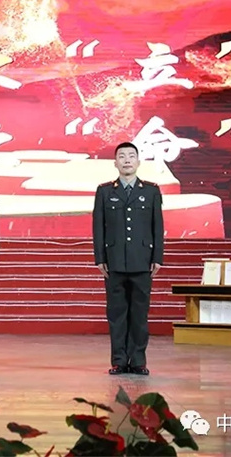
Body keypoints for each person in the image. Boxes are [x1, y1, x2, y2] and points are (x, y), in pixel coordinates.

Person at [92, 142, 163, 375]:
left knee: (140, 315)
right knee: (117, 314)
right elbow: (98, 227)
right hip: (114, 261)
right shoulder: (105, 191)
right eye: (121, 156)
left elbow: (157, 226)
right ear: (115, 163)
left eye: (131, 156)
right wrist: (100, 257)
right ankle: (119, 360)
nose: (127, 160)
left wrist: (157, 256)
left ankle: (138, 360)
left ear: (138, 162)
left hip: (142, 260)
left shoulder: (151, 191)